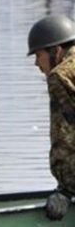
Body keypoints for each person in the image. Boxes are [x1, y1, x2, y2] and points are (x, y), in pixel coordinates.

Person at [27, 15, 75, 221]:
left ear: (56, 51)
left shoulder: (59, 76)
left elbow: (66, 137)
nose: (37, 64)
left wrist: (66, 190)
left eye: (38, 55)